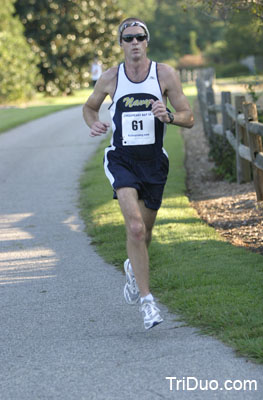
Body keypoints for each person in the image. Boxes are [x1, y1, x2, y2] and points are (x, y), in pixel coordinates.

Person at [83, 17, 194, 330]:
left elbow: (189, 116)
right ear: (120, 44)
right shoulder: (110, 77)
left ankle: (133, 269)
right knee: (134, 228)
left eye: (139, 37)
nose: (134, 43)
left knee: (143, 234)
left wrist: (169, 115)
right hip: (123, 160)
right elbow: (90, 106)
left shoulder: (165, 74)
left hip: (154, 163)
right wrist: (93, 122)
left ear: (147, 42)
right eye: (127, 38)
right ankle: (148, 303)